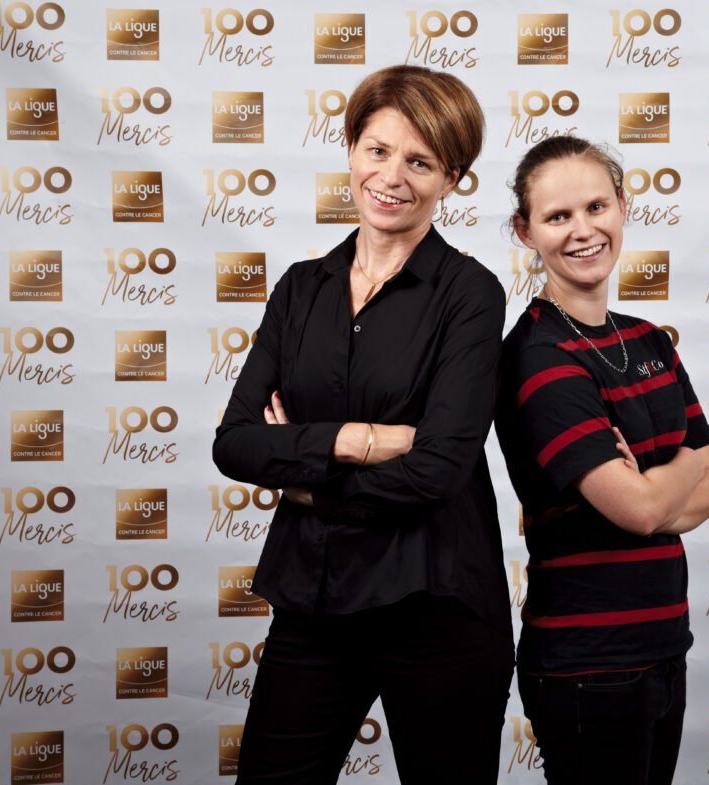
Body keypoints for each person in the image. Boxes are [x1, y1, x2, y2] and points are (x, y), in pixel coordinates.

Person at [212, 65, 514, 785]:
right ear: (350, 147)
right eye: (377, 150)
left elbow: (441, 466)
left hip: (436, 605)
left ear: (452, 177)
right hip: (314, 600)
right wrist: (360, 439)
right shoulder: (299, 289)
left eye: (420, 161)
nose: (392, 176)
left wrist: (308, 478)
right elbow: (236, 442)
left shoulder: (470, 293)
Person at [495, 135, 709, 785]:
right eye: (557, 216)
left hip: (662, 648)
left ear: (623, 207)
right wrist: (680, 465)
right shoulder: (537, 356)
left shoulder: (647, 339)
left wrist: (657, 483)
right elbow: (643, 505)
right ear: (525, 230)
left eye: (596, 206)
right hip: (587, 666)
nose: (582, 230)